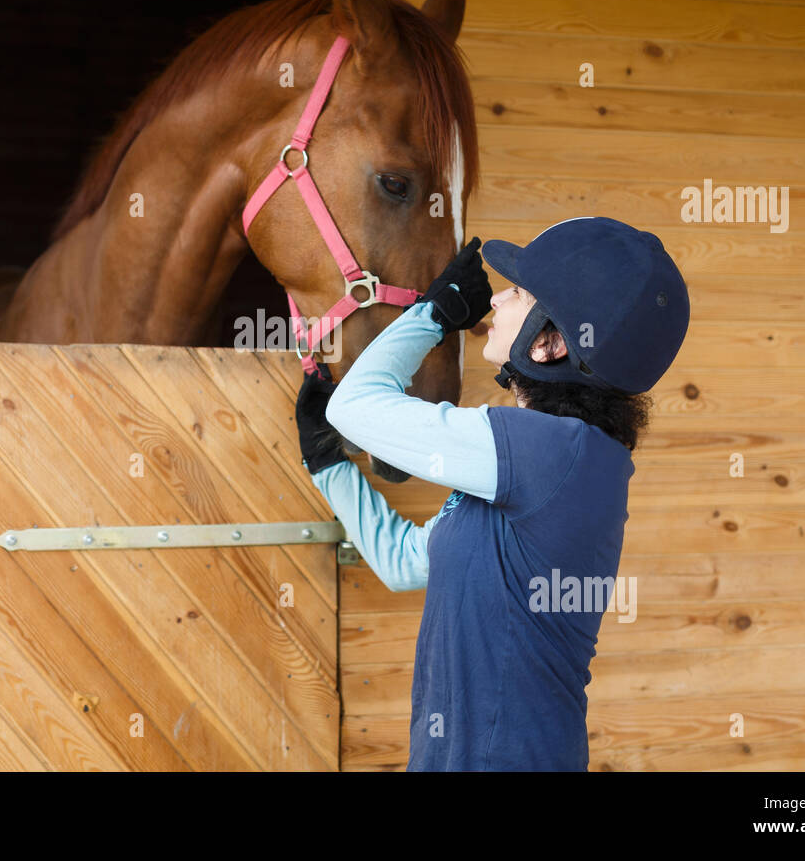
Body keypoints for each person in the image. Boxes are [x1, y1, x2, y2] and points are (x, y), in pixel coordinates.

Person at [295, 217, 690, 771]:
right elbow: (406, 564)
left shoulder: (549, 452)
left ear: (550, 342)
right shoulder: (555, 462)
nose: (499, 298)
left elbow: (354, 407)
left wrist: (433, 316)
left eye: (521, 292)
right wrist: (330, 466)